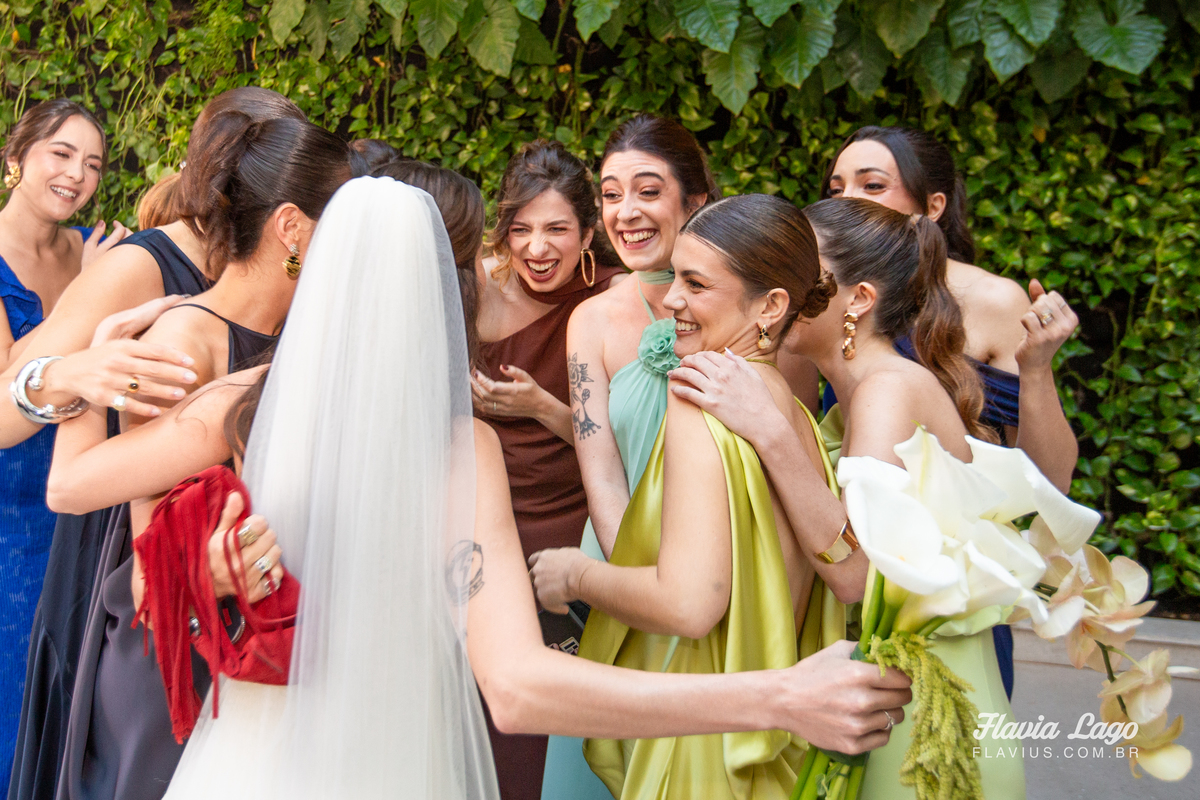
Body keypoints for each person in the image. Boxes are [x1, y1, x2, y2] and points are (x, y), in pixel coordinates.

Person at [134, 176, 911, 800]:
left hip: (247, 765)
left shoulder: (242, 415)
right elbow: (514, 686)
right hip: (393, 759)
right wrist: (779, 694)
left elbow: (125, 553)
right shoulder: (458, 452)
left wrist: (204, 574)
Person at [3, 88, 311, 800]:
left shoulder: (294, 271)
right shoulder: (141, 268)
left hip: (242, 567)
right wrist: (71, 375)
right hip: (120, 556)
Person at [678, 198, 1026, 798]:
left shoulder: (887, 391)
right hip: (895, 699)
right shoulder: (855, 394)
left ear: (858, 300)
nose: (782, 286)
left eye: (805, 275)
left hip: (928, 726)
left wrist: (769, 432)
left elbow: (859, 577)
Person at [527, 195, 849, 800]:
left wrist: (575, 575)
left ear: (771, 305)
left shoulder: (698, 395)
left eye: (695, 283)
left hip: (707, 745)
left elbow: (689, 604)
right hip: (774, 736)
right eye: (674, 275)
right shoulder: (787, 405)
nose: (670, 299)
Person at [0, 98, 127, 792]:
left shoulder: (96, 246)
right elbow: (5, 395)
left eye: (94, 163)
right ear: (17, 156)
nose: (77, 174)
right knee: (14, 692)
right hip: (12, 515)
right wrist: (89, 296)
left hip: (86, 498)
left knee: (76, 698)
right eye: (61, 153)